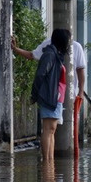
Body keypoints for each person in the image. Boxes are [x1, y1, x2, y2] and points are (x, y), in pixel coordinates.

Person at [29, 29, 71, 162]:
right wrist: (35, 94)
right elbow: (41, 74)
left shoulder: (57, 54)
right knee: (48, 129)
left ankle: (50, 161)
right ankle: (47, 161)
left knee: (52, 129)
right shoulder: (50, 54)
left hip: (56, 97)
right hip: (49, 96)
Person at [13, 34, 87, 108]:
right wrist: (15, 49)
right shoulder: (48, 44)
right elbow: (32, 55)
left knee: (62, 116)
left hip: (70, 94)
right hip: (50, 95)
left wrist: (81, 92)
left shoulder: (76, 47)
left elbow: (80, 71)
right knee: (52, 117)